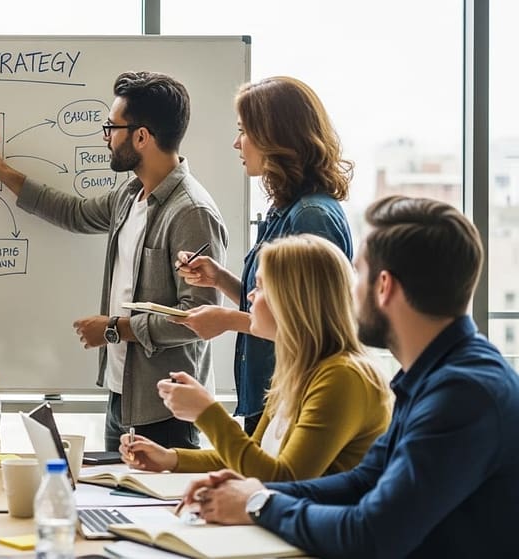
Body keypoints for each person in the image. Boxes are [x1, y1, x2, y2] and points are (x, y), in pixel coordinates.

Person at [184, 196, 519, 558]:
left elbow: (372, 534)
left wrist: (260, 504)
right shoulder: (436, 375)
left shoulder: (462, 394)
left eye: (357, 272)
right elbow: (364, 481)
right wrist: (250, 491)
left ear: (384, 286)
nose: (349, 288)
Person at [0, 71, 228, 451]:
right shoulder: (131, 194)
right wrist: (1, 171)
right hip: (123, 396)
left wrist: (115, 329)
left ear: (141, 136)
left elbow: (198, 320)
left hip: (168, 410)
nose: (106, 136)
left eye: (112, 127)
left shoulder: (191, 212)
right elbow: (74, 213)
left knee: (156, 508)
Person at [120, 234, 390, 481]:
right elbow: (253, 456)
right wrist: (171, 459)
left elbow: (282, 478)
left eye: (260, 287)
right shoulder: (301, 369)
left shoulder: (342, 378)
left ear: (293, 301)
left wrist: (207, 413)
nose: (249, 295)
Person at [172, 76, 353, 435]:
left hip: (294, 399)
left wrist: (226, 319)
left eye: (244, 131)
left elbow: (309, 326)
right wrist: (219, 279)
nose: (236, 143)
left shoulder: (311, 217)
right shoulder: (288, 209)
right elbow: (282, 301)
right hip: (275, 396)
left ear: (275, 136)